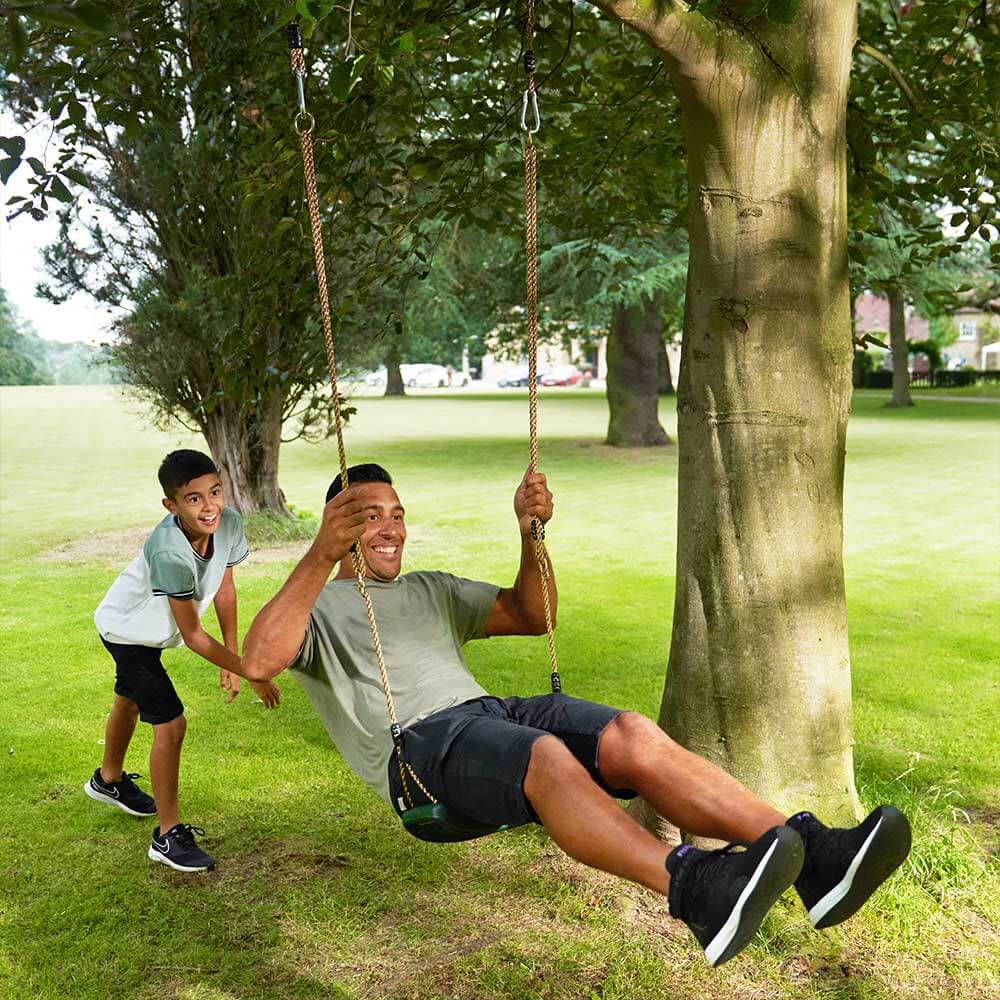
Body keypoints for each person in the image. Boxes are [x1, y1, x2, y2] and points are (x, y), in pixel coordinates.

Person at [241, 463, 911, 967]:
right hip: (419, 750)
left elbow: (536, 615)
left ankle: (816, 856)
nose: (388, 528)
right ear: (338, 525)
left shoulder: (430, 589)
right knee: (544, 758)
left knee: (630, 734)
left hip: (489, 713)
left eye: (395, 513)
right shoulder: (316, 606)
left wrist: (529, 534)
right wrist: (321, 554)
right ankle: (693, 889)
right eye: (367, 516)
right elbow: (259, 660)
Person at [87, 449, 280, 873]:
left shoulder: (228, 522)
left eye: (215, 492)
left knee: (129, 699)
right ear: (171, 506)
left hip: (149, 631)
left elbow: (225, 587)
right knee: (171, 724)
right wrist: (251, 670)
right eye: (194, 499)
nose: (209, 506)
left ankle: (109, 780)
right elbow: (192, 635)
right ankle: (167, 836)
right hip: (126, 631)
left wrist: (232, 659)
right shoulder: (169, 551)